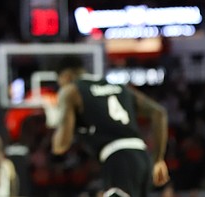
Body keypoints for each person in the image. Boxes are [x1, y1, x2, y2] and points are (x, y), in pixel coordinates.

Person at [48, 55, 169, 197]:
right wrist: (158, 159)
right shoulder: (119, 87)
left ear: (66, 77)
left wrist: (57, 120)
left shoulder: (71, 91)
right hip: (142, 158)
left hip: (118, 159)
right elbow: (159, 113)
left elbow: (61, 145)